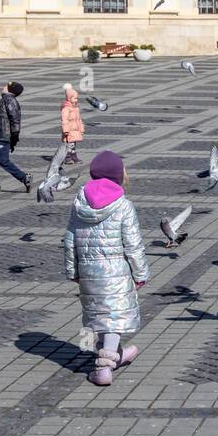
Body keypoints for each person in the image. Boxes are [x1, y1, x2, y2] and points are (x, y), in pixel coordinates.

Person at [63, 150, 148, 387]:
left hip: (89, 272)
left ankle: (117, 354)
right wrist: (141, 273)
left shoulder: (79, 202)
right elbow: (133, 244)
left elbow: (69, 239)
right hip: (116, 272)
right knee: (113, 316)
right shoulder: (123, 205)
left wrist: (73, 271)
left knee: (100, 315)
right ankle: (103, 367)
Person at [0, 81, 32, 192]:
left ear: (10, 90)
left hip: (4, 136)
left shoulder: (9, 100)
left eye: (6, 86)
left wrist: (14, 139)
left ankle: (24, 177)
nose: (3, 87)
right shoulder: (4, 99)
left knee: (3, 160)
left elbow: (15, 121)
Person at [60, 84, 85, 165]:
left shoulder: (76, 108)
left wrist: (81, 129)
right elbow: (64, 120)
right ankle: (68, 157)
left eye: (77, 98)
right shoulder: (66, 109)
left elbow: (79, 120)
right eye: (74, 98)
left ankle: (73, 156)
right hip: (69, 130)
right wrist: (66, 130)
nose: (76, 100)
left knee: (73, 144)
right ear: (69, 98)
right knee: (68, 144)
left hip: (75, 130)